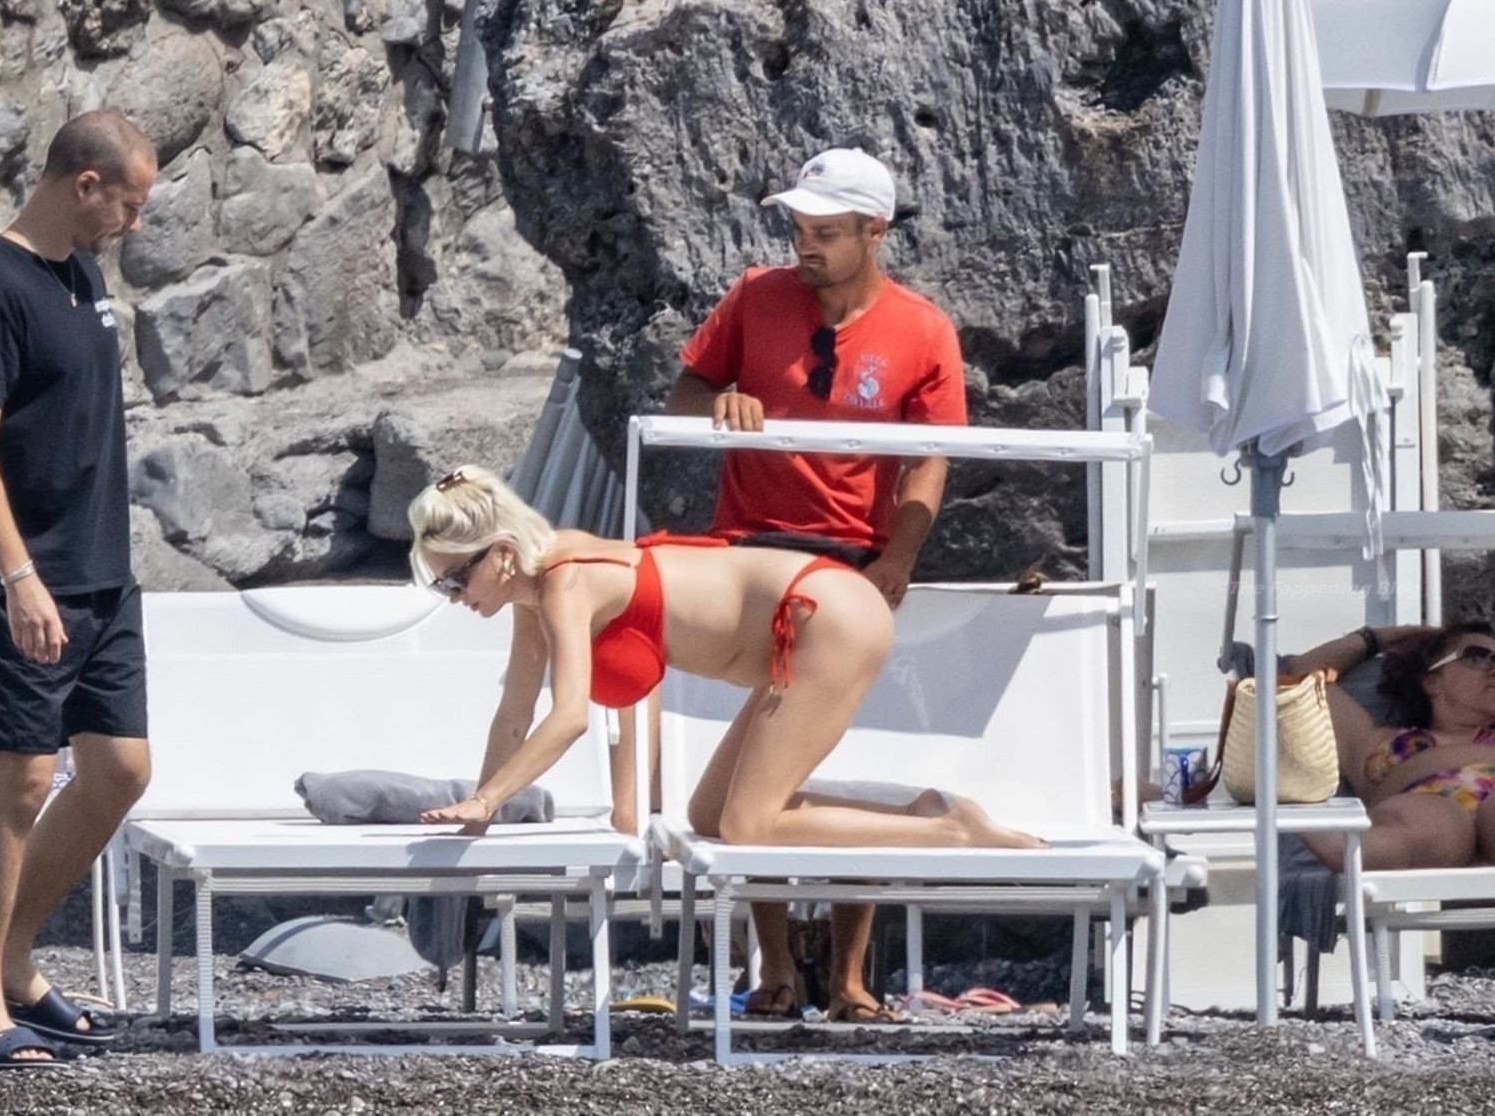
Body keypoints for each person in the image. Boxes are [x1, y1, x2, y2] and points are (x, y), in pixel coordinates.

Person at [661, 146, 967, 1023]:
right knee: (749, 794)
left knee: (755, 797)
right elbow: (682, 397)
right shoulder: (755, 296)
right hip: (751, 557)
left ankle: (846, 971)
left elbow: (930, 460)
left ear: (876, 232)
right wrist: (720, 407)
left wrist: (897, 561)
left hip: (843, 572)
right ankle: (783, 970)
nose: (804, 243)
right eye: (798, 226)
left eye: (826, 231)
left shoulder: (923, 330)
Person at [407, 467, 1037, 858]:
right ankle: (921, 815)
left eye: (454, 580)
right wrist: (474, 825)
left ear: (501, 554)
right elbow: (513, 715)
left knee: (747, 826)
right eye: (441, 586)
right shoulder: (533, 593)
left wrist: (487, 800)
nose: (453, 598)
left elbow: (569, 716)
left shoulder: (566, 581)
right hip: (811, 617)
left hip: (824, 614)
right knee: (710, 816)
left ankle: (954, 833)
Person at [0, 110, 155, 1070]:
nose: (134, 224)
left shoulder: (83, 276)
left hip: (102, 576)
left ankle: (13, 960)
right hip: (22, 579)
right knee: (20, 782)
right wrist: (19, 577)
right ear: (85, 184)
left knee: (120, 771)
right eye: (129, 204)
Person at [1290, 623, 1495, 871]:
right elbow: (1300, 679)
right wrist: (1379, 637)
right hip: (1426, 814)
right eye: (1477, 657)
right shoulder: (1379, 743)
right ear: (1431, 681)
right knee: (1429, 819)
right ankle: (1357, 851)